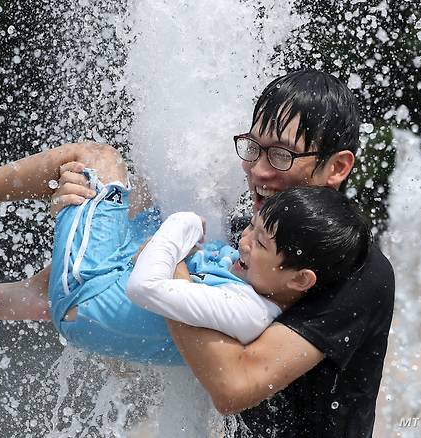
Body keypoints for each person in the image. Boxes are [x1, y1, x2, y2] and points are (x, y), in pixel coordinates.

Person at [51, 70, 395, 437]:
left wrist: (171, 273)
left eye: (281, 155)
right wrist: (80, 215)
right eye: (253, 147)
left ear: (337, 167)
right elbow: (132, 349)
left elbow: (233, 386)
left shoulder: (357, 272)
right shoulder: (247, 237)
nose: (258, 170)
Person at [0, 143, 372, 366]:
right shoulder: (269, 300)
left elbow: (148, 286)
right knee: (149, 196)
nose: (245, 242)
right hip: (101, 311)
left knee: (97, 157)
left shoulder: (239, 307)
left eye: (261, 242)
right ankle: (36, 291)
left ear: (300, 277)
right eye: (251, 230)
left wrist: (181, 226)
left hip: (86, 290)